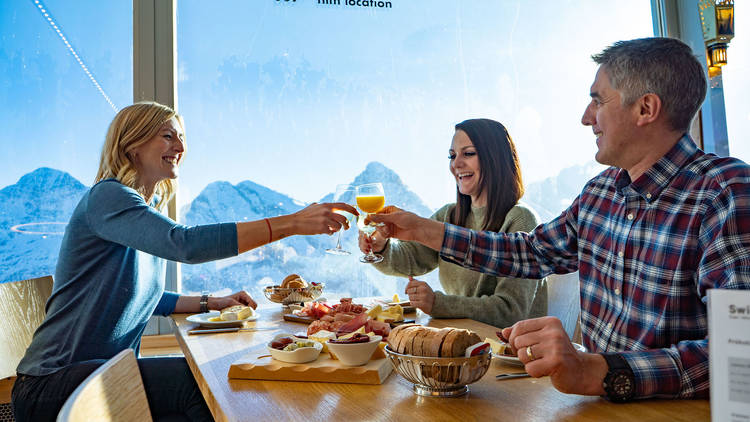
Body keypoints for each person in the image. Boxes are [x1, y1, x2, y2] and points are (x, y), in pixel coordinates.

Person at [367, 37, 750, 401]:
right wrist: (425, 230)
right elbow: (531, 253)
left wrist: (599, 371)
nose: (587, 118)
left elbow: (740, 352)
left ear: (645, 109)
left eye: (597, 101)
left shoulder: (724, 193)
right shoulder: (599, 193)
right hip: (598, 406)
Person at [11, 102, 358, 422]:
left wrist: (212, 302)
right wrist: (291, 223)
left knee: (199, 396)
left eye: (181, 137)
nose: (180, 146)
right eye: (167, 135)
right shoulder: (107, 196)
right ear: (132, 144)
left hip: (103, 373)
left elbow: (145, 296)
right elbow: (186, 245)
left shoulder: (137, 214)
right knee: (202, 389)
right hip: (53, 385)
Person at [360, 118, 546, 328]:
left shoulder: (520, 220)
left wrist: (439, 304)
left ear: (495, 158)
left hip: (508, 351)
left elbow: (510, 312)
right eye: (452, 155)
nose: (456, 164)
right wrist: (382, 248)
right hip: (463, 341)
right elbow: (412, 259)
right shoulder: (449, 215)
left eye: (468, 153)